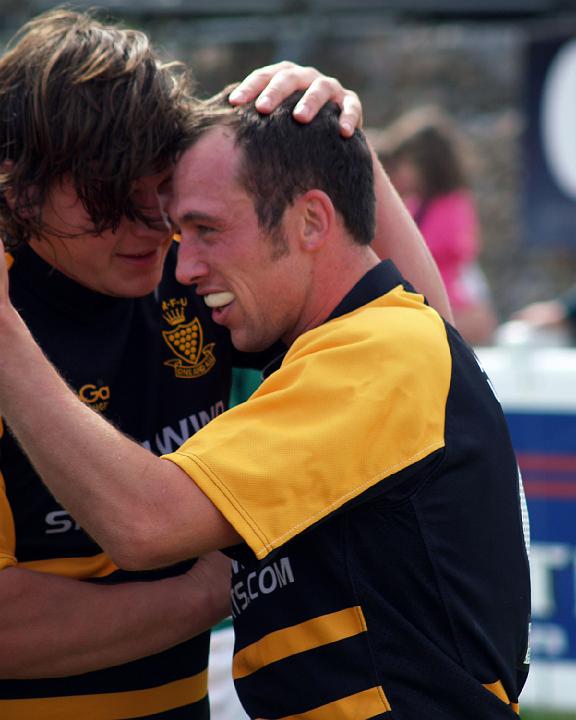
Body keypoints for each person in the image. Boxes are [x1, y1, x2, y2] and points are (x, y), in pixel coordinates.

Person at [0, 89, 530, 718]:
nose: (183, 266)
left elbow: (144, 523)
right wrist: (339, 133)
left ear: (310, 221)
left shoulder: (381, 353)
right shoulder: (362, 350)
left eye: (206, 230)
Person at [0, 8, 397, 719]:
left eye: (160, 190)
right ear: (19, 185)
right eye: (109, 196)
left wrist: (340, 141)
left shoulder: (189, 272)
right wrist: (212, 585)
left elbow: (421, 336)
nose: (153, 225)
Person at [375, 106, 498, 346]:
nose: (400, 174)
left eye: (405, 165)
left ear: (427, 165)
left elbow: (448, 252)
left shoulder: (452, 205)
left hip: (453, 308)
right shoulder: (416, 205)